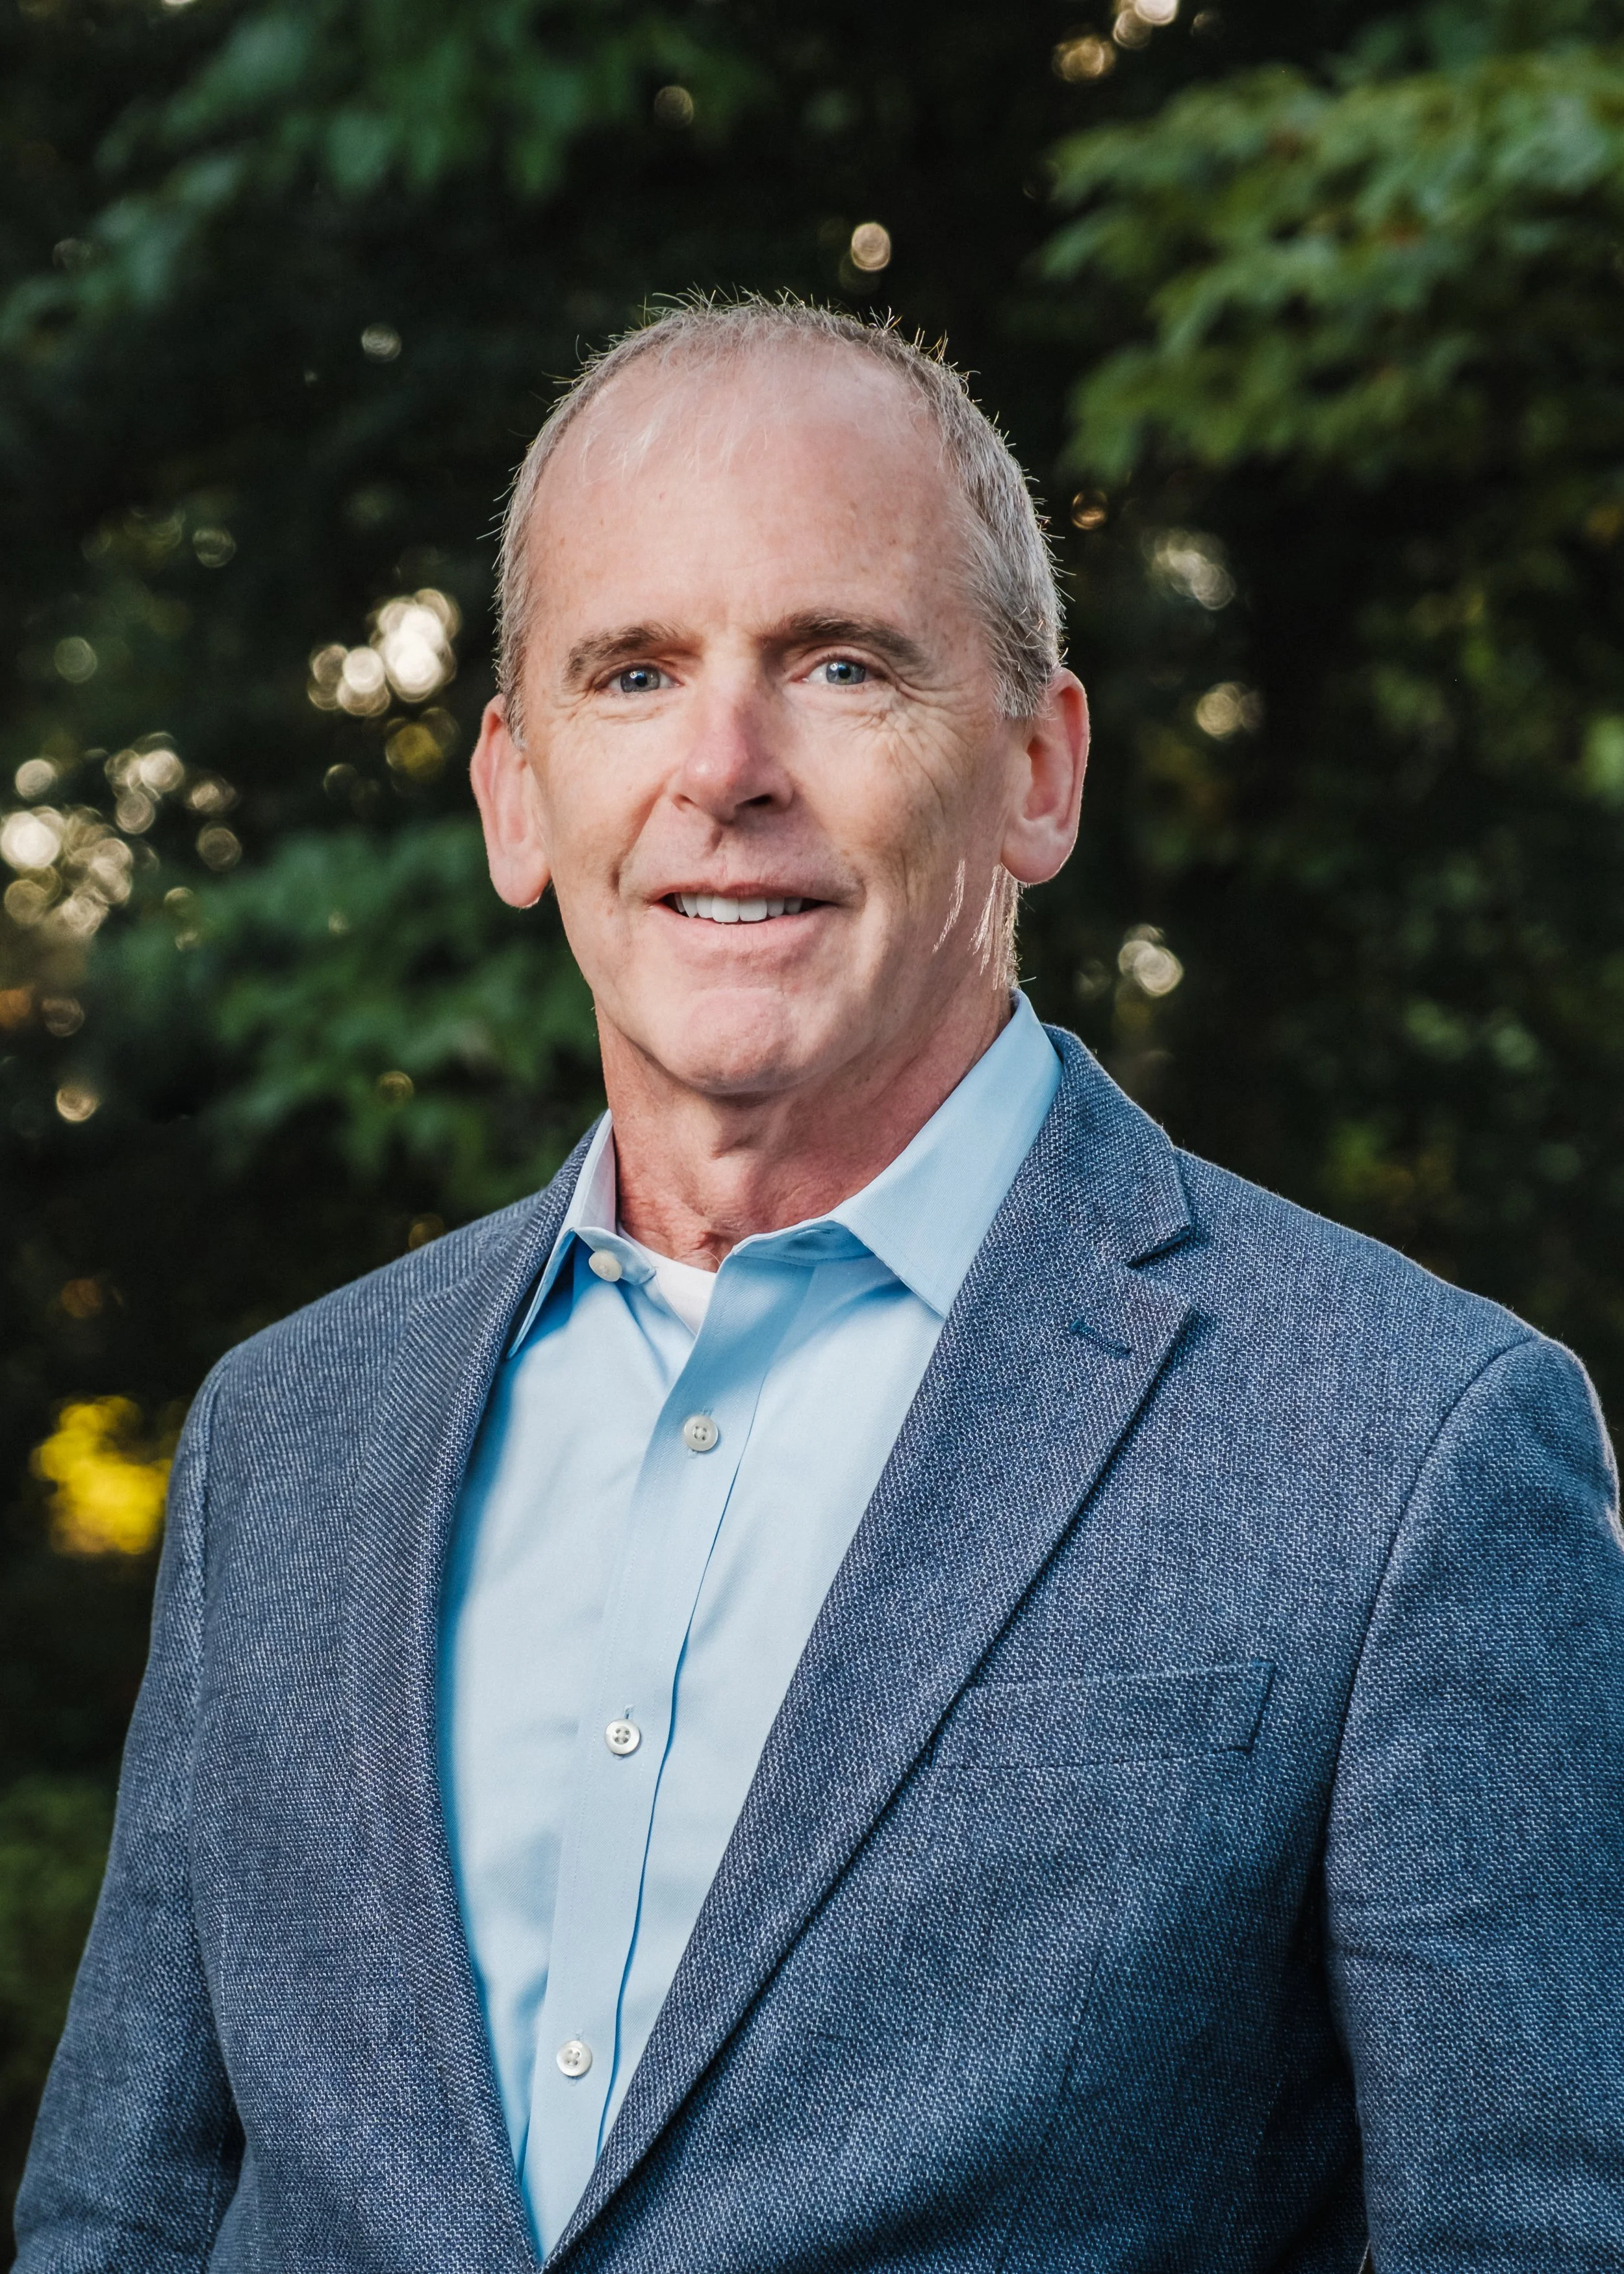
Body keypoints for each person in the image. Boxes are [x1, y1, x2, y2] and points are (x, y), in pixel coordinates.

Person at [14, 298, 1624, 2274]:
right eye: (632, 671)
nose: (723, 764)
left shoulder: (1407, 1443)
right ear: (516, 793)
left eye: (838, 662)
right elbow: (124, 2215)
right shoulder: (287, 1433)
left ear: (1038, 770)